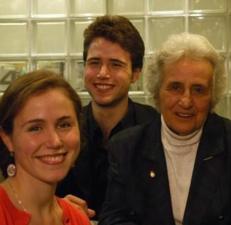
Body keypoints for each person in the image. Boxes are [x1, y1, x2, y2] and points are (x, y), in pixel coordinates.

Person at [99, 32, 231, 225]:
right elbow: (113, 219)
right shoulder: (126, 147)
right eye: (175, 87)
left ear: (212, 96)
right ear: (158, 91)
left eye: (198, 90)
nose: (186, 101)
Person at [56, 15, 158, 219]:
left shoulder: (156, 128)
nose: (102, 73)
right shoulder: (61, 128)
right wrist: (56, 205)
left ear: (136, 73)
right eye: (94, 63)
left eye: (115, 64)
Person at [0, 70, 90, 225]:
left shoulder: (77, 218)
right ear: (8, 139)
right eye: (35, 128)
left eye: (64, 125)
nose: (55, 141)